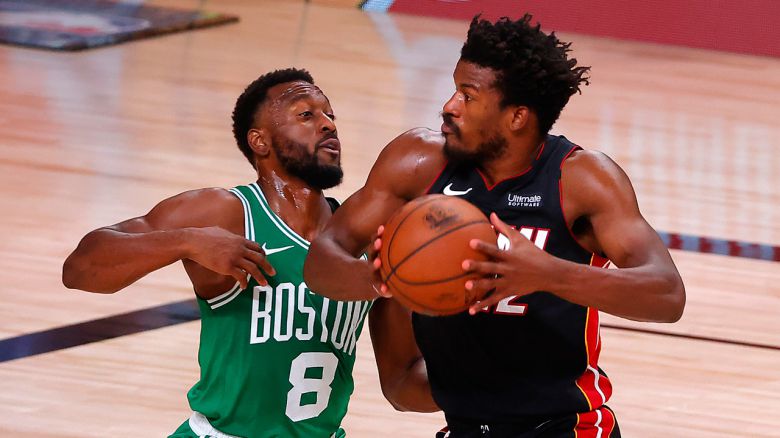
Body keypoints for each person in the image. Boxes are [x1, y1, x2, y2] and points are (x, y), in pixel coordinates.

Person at [304, 14, 686, 438]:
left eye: (468, 96)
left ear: (516, 117)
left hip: (565, 426)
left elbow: (667, 294)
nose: (449, 105)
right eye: (454, 88)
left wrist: (547, 273)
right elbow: (321, 260)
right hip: (466, 427)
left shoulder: (580, 180)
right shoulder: (416, 162)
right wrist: (378, 279)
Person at [62, 68, 376, 438]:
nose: (328, 124)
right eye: (306, 115)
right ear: (260, 141)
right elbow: (79, 269)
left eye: (330, 114)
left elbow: (401, 385)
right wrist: (187, 241)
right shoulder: (226, 212)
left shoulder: (360, 236)